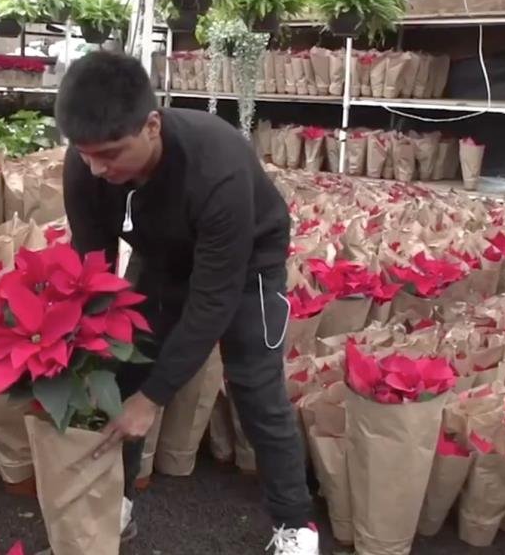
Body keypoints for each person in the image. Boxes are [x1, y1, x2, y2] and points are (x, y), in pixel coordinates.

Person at [55, 51, 318, 555]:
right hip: (161, 260)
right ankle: (118, 505)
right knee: (124, 373)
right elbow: (93, 258)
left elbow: (214, 298)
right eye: (84, 153)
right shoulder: (86, 164)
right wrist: (86, 342)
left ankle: (295, 525)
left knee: (256, 390)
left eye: (110, 153)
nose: (96, 167)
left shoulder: (216, 163)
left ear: (151, 125)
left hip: (245, 267)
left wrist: (153, 400)